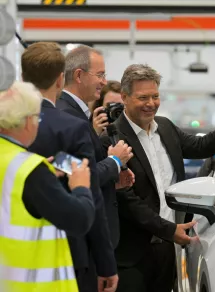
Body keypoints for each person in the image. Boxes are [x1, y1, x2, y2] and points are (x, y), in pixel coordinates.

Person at [100, 64, 215, 292]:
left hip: (167, 249)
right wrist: (168, 229)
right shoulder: (112, 141)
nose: (151, 103)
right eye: (143, 97)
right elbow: (127, 201)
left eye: (155, 96)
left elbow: (201, 146)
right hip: (131, 255)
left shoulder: (165, 127)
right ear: (124, 97)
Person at [22, 42, 118, 292]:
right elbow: (91, 193)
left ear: (22, 77)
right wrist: (106, 264)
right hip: (68, 252)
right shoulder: (70, 128)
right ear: (59, 81)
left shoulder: (9, 126)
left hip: (14, 250)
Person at [0, 81, 95, 292]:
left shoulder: (14, 163)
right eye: (37, 118)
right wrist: (81, 187)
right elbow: (78, 219)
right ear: (26, 122)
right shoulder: (30, 170)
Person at [57, 45, 135, 289]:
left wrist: (113, 177)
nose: (104, 82)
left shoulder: (75, 116)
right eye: (100, 75)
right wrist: (114, 162)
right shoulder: (68, 118)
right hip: (85, 241)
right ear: (79, 75)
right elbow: (78, 175)